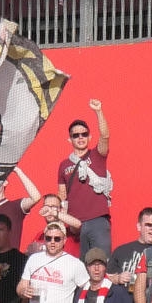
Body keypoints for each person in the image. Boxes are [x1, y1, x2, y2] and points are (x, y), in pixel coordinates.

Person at [57, 99, 113, 257]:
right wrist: (64, 221)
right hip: (75, 225)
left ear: (89, 137)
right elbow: (62, 196)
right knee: (80, 271)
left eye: (84, 134)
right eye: (76, 135)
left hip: (97, 221)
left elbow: (105, 135)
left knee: (100, 264)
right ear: (70, 139)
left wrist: (98, 111)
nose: (80, 138)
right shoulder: (64, 165)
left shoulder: (97, 155)